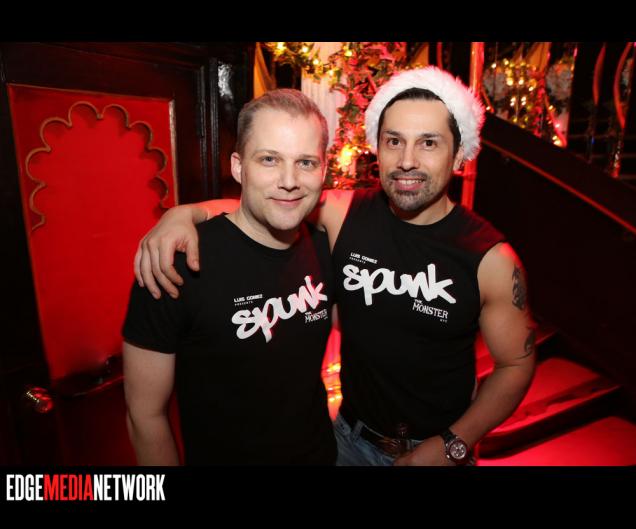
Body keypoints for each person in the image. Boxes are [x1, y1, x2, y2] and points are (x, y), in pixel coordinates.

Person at [133, 66, 537, 466]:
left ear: (459, 153)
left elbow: (516, 364)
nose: (407, 160)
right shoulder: (344, 215)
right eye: (394, 141)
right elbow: (274, 203)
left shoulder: (491, 259)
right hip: (347, 443)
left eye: (428, 143)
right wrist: (184, 214)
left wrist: (452, 446)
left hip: (438, 449)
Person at [122, 89, 338, 465]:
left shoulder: (324, 245)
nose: (289, 180)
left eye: (305, 162)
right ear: (239, 167)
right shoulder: (176, 264)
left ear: (322, 170)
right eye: (269, 159)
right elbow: (145, 416)